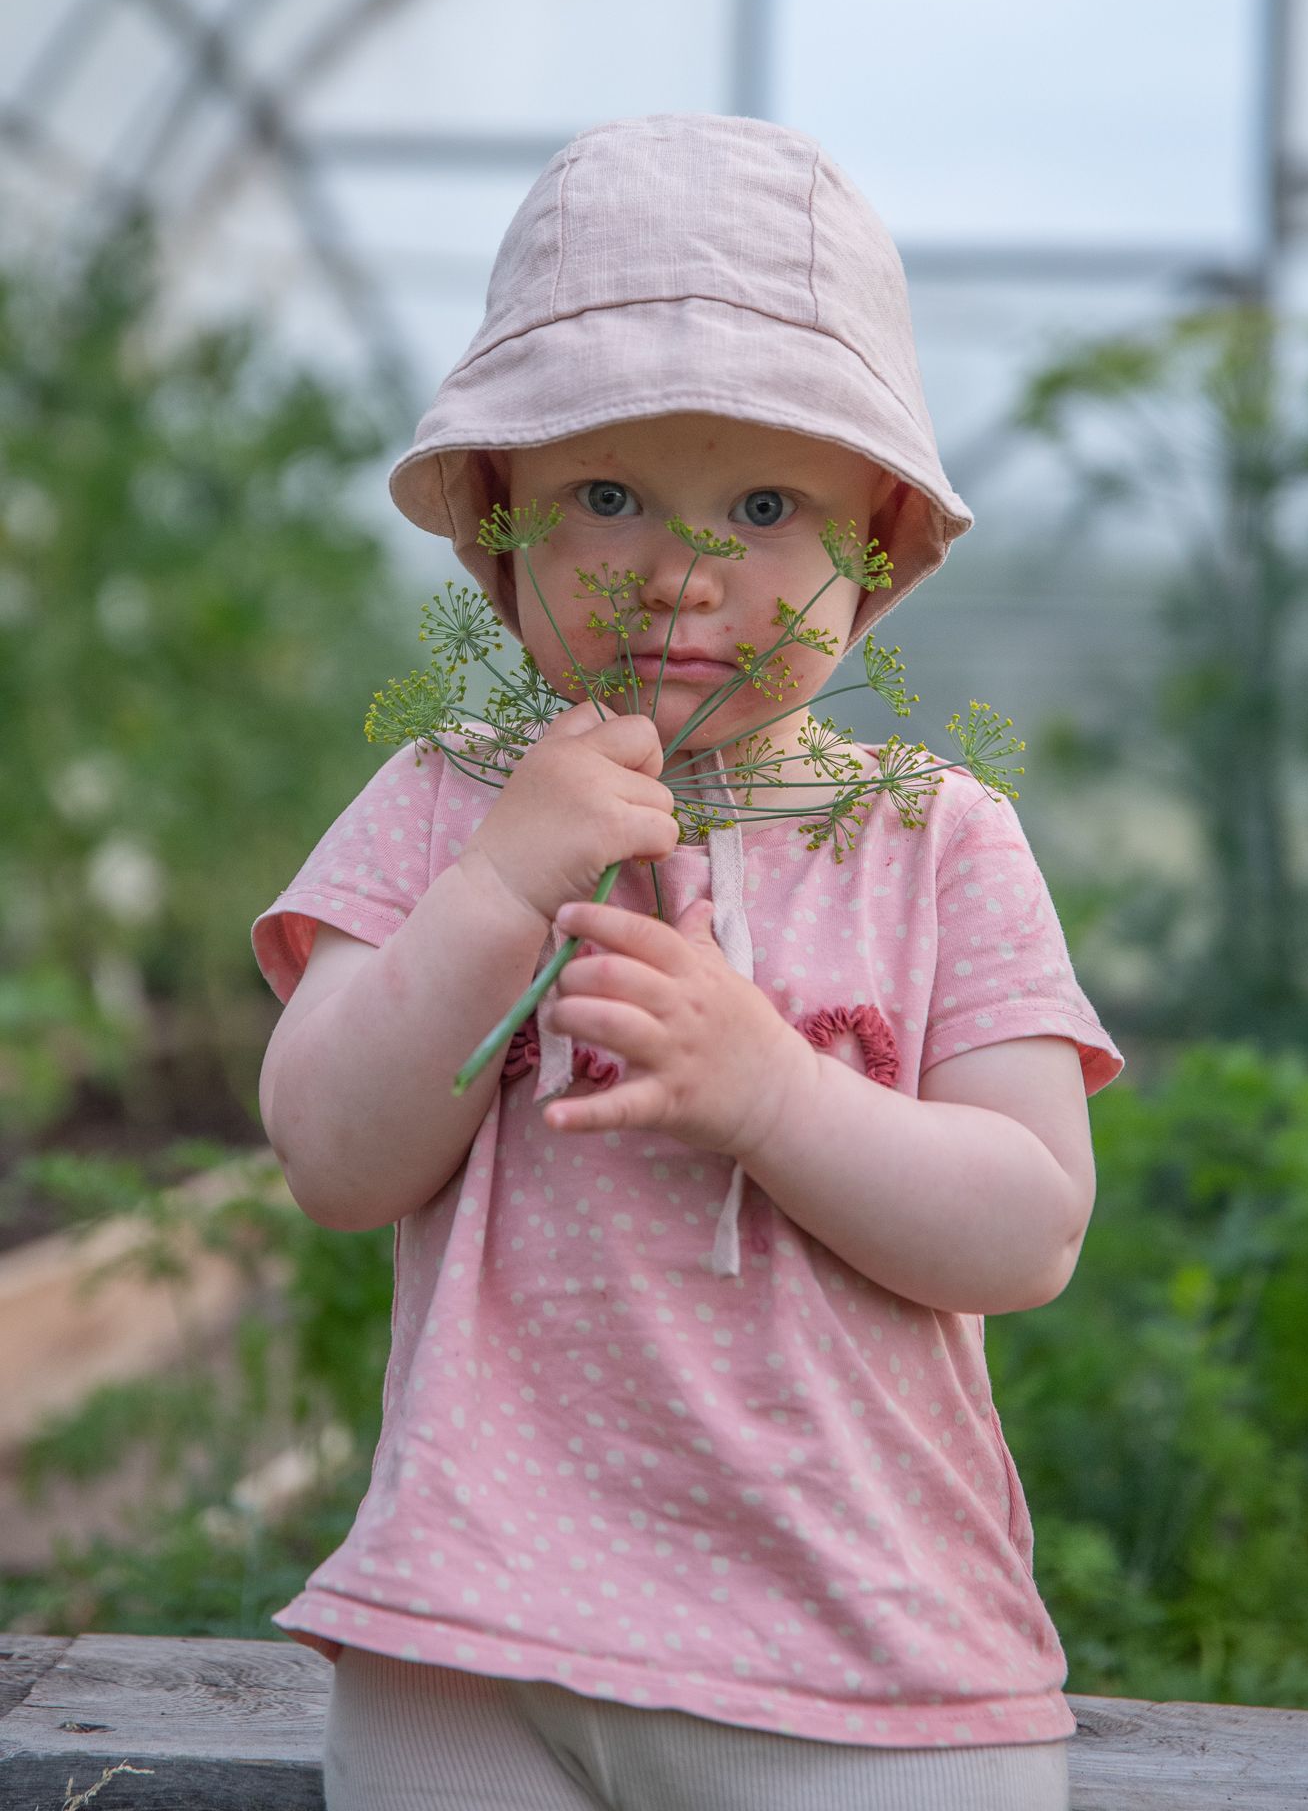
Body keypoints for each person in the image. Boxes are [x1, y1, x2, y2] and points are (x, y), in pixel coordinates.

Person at [252, 113, 1124, 1811]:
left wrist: (772, 1092)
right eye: (604, 494)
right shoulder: (445, 801)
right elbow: (336, 1160)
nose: (681, 568)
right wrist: (506, 880)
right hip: (473, 1642)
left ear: (874, 542)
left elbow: (1030, 1227)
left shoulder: (933, 834)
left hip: (866, 1660)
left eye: (764, 505)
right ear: (496, 519)